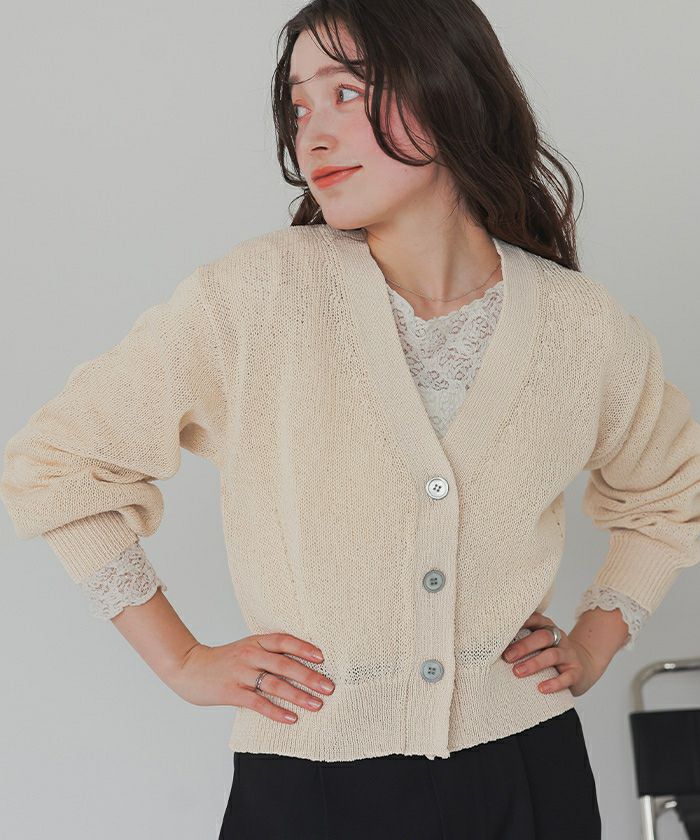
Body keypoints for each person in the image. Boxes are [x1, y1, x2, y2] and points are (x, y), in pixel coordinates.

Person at [2, 1, 699, 838]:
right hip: (310, 784)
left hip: (528, 768)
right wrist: (181, 660)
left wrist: (594, 640)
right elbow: (57, 465)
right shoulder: (259, 297)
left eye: (345, 93)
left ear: (451, 88)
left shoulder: (581, 326)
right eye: (299, 108)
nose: (314, 137)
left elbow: (672, 491)